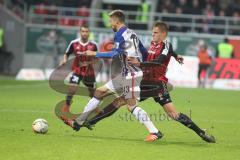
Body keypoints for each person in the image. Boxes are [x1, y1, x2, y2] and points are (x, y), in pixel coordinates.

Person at [81, 22, 216, 143]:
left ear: (163, 34)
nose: (153, 35)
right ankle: (202, 133)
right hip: (146, 82)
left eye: (156, 33)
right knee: (124, 102)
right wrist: (176, 56)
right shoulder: (153, 44)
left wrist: (139, 63)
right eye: (153, 32)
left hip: (157, 84)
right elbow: (171, 52)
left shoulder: (165, 45)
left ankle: (199, 133)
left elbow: (158, 62)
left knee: (169, 114)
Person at [63, 10, 162, 142]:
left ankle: (154, 131)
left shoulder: (120, 35)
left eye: (111, 21)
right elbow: (143, 51)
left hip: (131, 75)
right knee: (99, 92)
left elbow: (116, 54)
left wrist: (95, 54)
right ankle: (78, 123)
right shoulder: (131, 33)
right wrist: (142, 65)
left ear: (117, 21)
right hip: (126, 74)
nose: (110, 24)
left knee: (131, 106)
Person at [60, 24, 98, 113]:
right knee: (72, 88)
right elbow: (67, 53)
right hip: (77, 70)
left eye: (86, 31)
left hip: (89, 72)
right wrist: (64, 60)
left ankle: (95, 107)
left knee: (92, 92)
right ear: (80, 32)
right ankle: (66, 107)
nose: (85, 33)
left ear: (89, 33)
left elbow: (97, 59)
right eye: (83, 31)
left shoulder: (93, 45)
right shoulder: (74, 43)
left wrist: (89, 63)